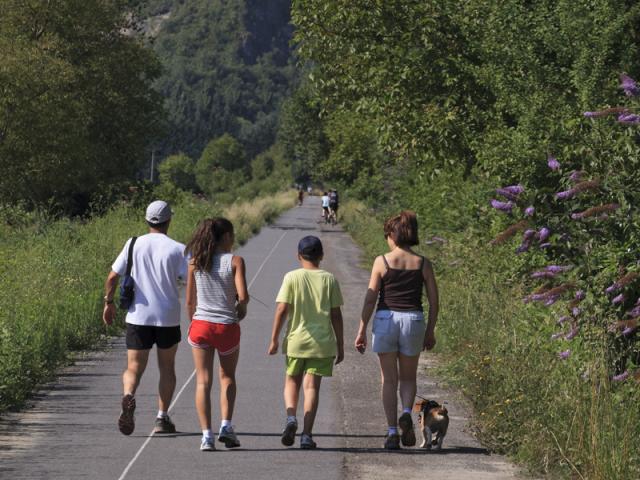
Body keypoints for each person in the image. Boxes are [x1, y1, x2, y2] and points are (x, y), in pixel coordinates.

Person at [354, 211, 439, 450]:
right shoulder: (423, 263)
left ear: (393, 234)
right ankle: (405, 412)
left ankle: (392, 431)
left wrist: (361, 329)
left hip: (386, 319)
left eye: (387, 235)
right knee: (409, 378)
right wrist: (430, 331)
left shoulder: (381, 261)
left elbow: (370, 299)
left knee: (388, 379)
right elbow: (434, 302)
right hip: (413, 319)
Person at [103, 200, 187, 436]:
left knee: (133, 367)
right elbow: (190, 279)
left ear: (147, 220)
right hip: (167, 317)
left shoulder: (133, 244)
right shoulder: (178, 249)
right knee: (167, 367)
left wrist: (108, 304)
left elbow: (112, 278)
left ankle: (129, 395)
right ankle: (162, 417)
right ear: (169, 220)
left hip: (138, 316)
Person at [268, 236, 344, 449]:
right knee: (312, 388)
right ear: (321, 256)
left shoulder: (291, 277)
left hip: (296, 342)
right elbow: (336, 315)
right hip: (322, 344)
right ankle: (307, 435)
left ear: (298, 255)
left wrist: (274, 339)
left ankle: (291, 416)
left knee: (292, 382)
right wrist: (340, 345)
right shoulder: (329, 279)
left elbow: (282, 309)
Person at [185, 218, 249, 451]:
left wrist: (193, 323)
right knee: (227, 377)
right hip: (226, 326)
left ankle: (206, 436)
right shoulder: (235, 261)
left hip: (201, 324)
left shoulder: (195, 261)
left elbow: (190, 301)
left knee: (203, 380)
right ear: (226, 237)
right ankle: (226, 426)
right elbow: (242, 297)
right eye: (232, 236)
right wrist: (240, 313)